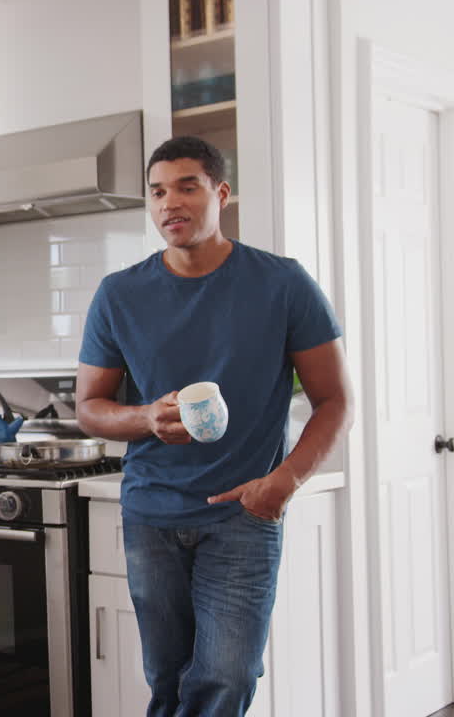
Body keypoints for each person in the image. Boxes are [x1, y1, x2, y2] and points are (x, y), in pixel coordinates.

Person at [74, 136, 353, 716]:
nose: (168, 203)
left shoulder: (282, 284)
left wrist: (285, 481)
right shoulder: (119, 295)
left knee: (228, 675)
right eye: (156, 192)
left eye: (186, 186)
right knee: (168, 680)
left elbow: (334, 400)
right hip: (151, 513)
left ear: (220, 193)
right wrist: (146, 417)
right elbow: (89, 406)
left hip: (242, 513)